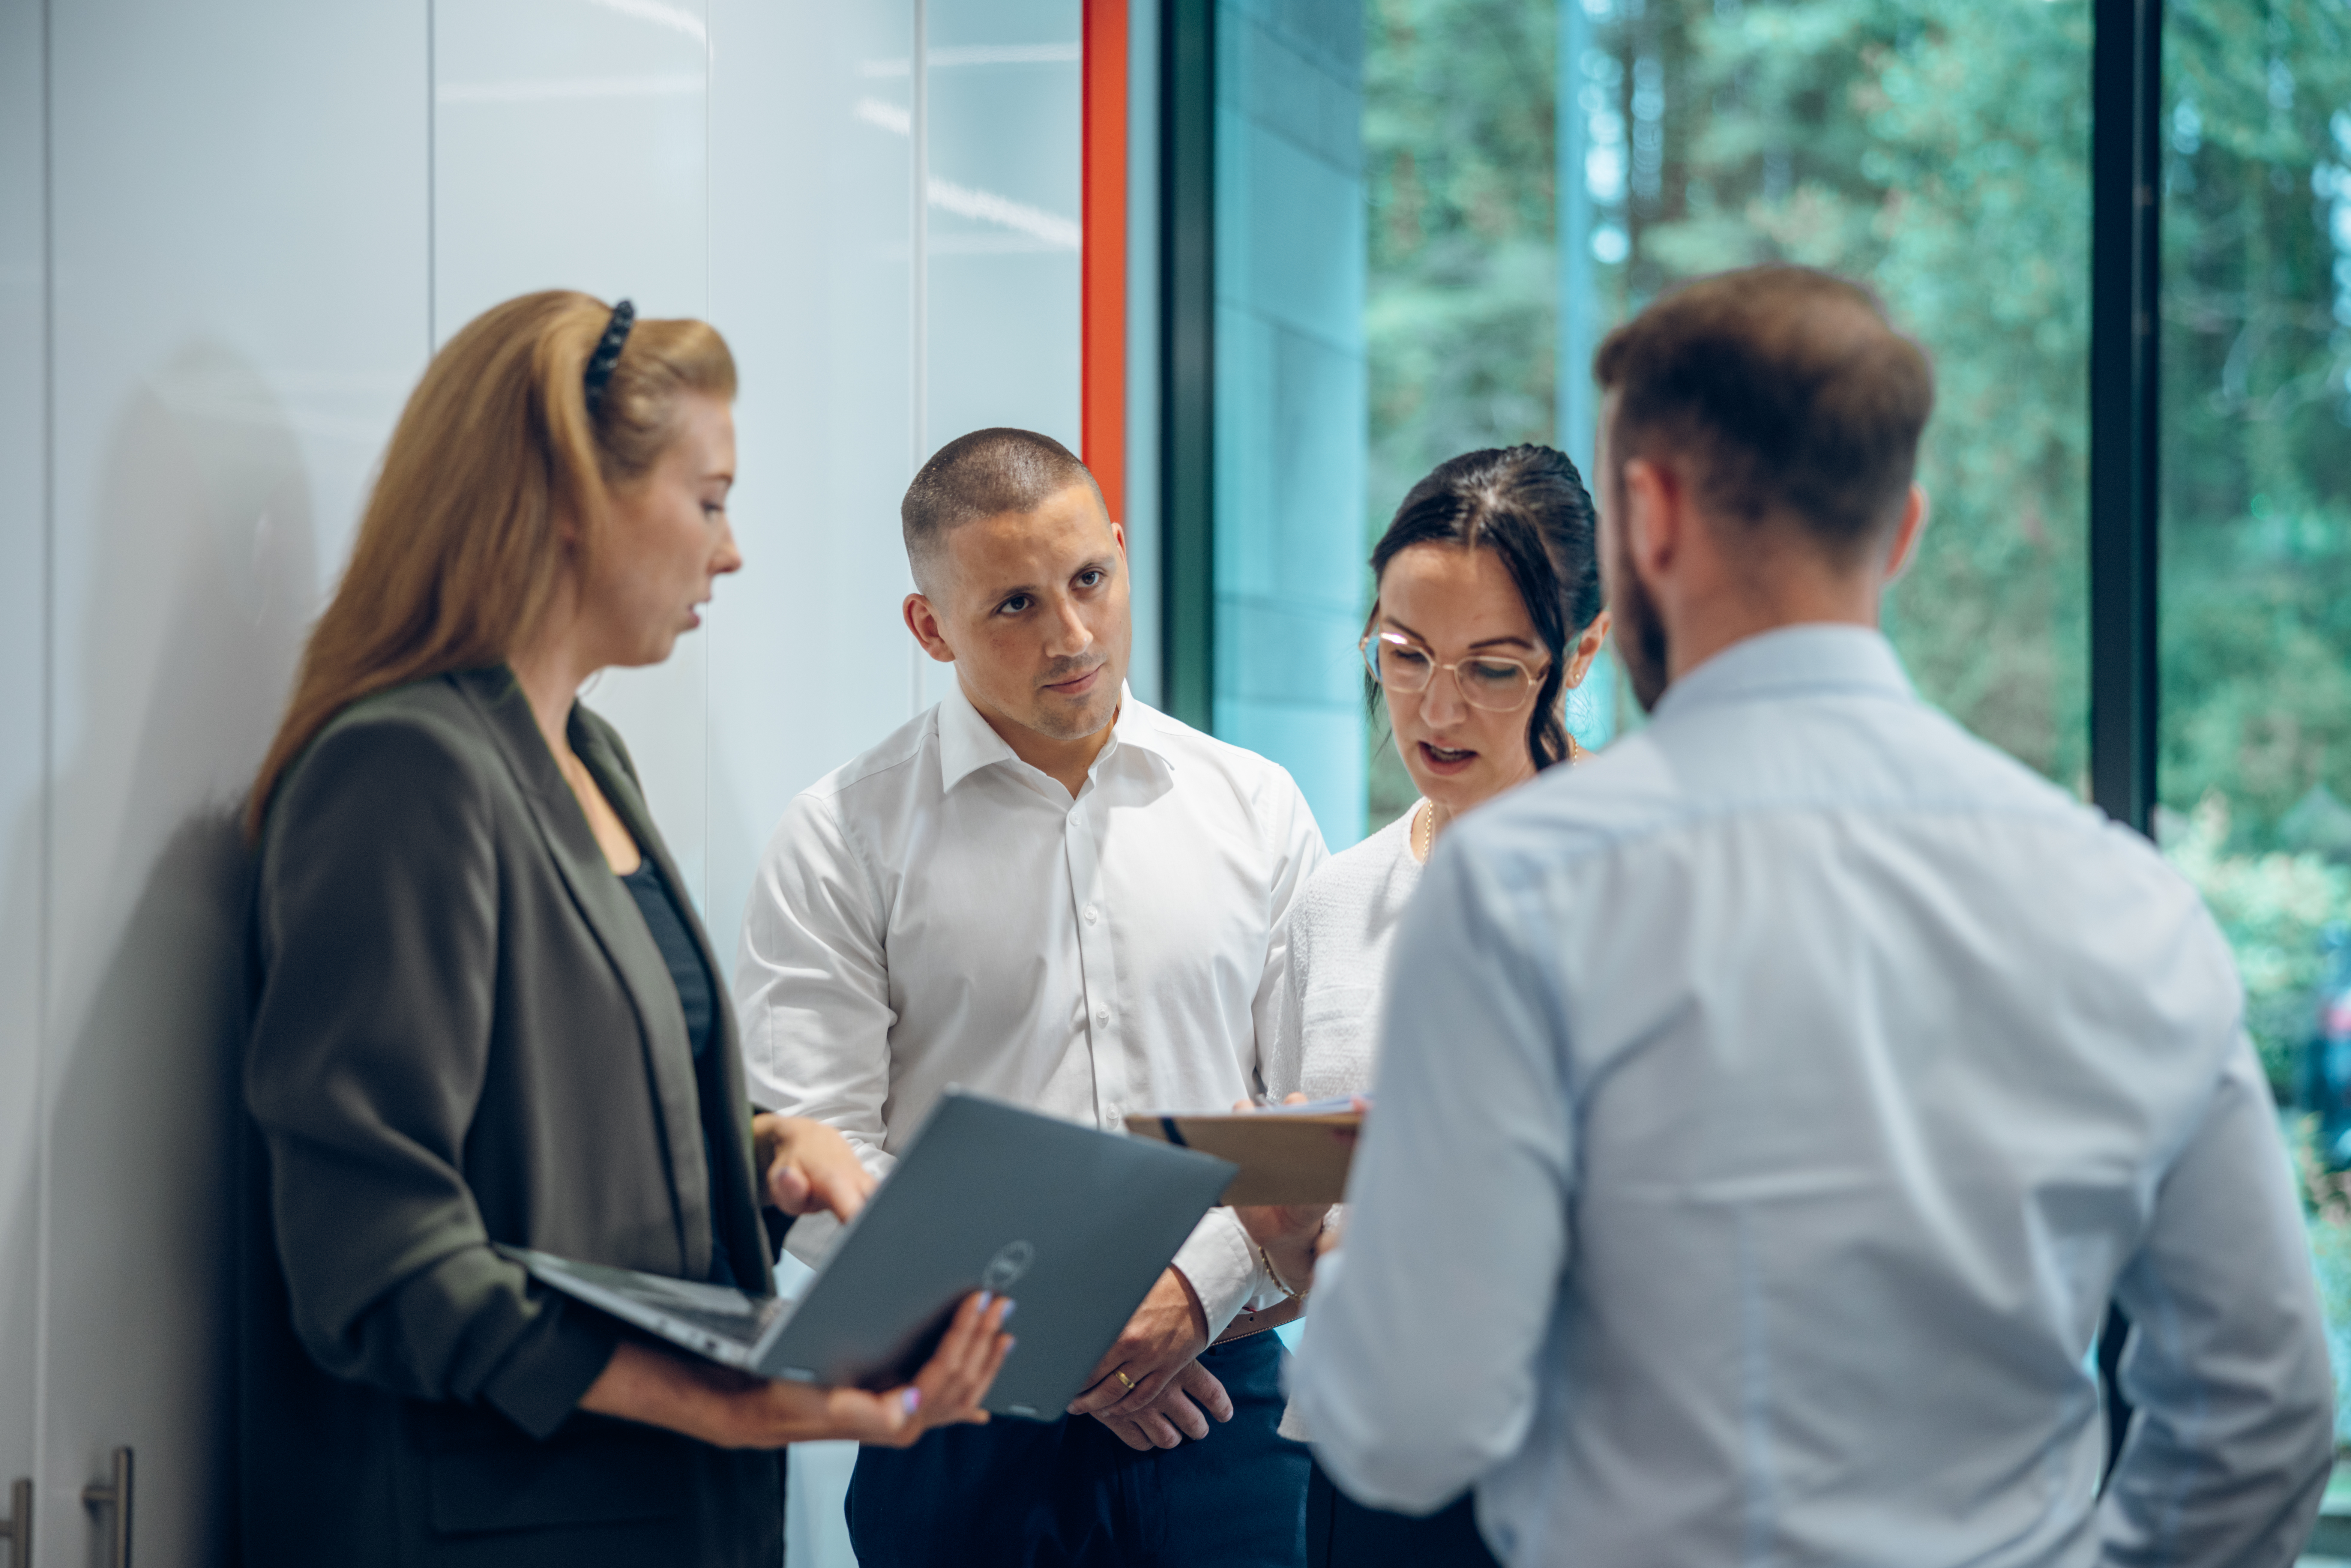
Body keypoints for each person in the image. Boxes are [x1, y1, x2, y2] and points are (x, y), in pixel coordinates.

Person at [1279, 266, 2335, 1564]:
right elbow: (2266, 1407)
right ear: (1901, 531)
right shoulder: (2126, 900)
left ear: (1648, 517)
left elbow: (1407, 1427)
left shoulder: (1522, 890)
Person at [238, 291, 1014, 1568]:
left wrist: (766, 1148)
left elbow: (572, 1124)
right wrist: (730, 1395)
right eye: (708, 500)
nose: (733, 551)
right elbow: (374, 1257)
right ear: (564, 495)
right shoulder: (403, 770)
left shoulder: (583, 752)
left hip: (670, 1513)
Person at [733, 427, 1328, 1567]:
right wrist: (1055, 1334)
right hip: (958, 1422)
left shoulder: (1256, 807)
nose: (1072, 634)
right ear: (930, 626)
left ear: (1118, 551)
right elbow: (815, 1163)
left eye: (1090, 580)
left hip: (1221, 1396)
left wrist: (1186, 1298)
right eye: (1013, 604)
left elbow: (1301, 1113)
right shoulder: (841, 837)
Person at [1247, 443, 1609, 1565]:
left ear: (1581, 652)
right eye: (1403, 655)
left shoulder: (1658, 882)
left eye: (1494, 668)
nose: (1435, 707)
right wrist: (1287, 1233)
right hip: (1371, 1467)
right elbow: (1311, 1259)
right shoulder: (1336, 901)